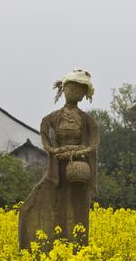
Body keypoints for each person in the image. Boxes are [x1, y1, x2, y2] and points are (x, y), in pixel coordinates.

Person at [18, 69, 99, 250]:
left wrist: (76, 151)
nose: (74, 93)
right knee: (39, 206)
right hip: (57, 172)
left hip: (79, 172)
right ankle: (41, 250)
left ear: (83, 95)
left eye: (79, 90)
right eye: (71, 88)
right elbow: (45, 136)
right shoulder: (51, 118)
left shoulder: (88, 121)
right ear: (63, 90)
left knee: (78, 210)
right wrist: (55, 151)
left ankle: (77, 251)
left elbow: (93, 144)